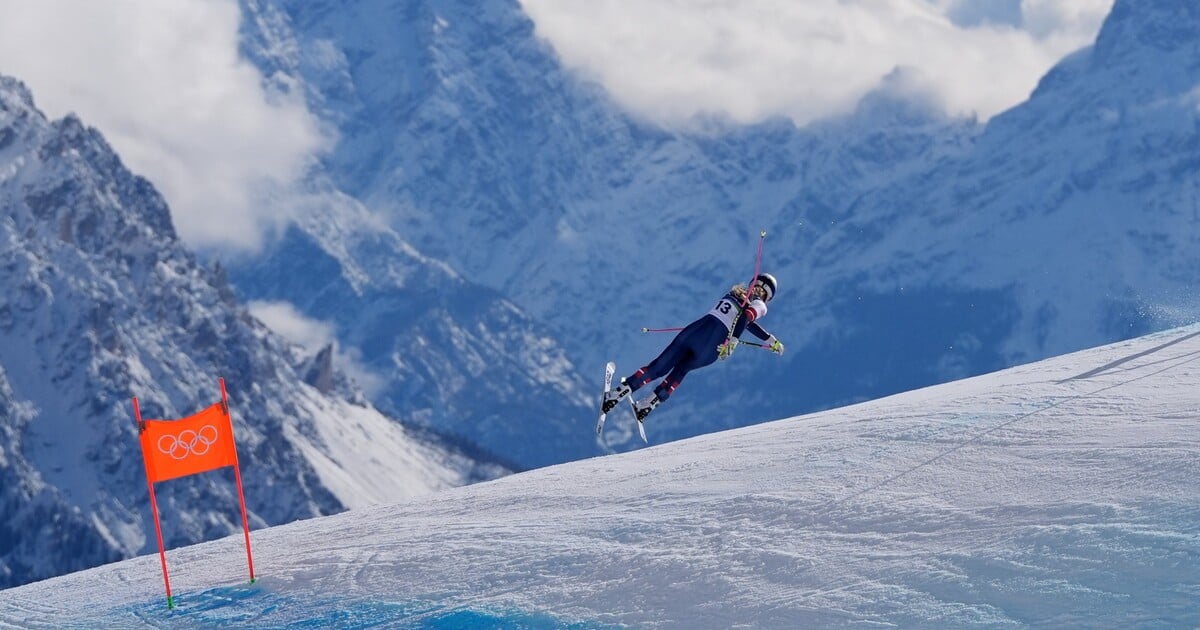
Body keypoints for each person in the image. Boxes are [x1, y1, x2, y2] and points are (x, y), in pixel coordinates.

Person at [602, 273, 784, 422]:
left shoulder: (735, 293)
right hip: (712, 349)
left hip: (697, 331)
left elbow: (744, 320)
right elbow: (745, 320)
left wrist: (762, 339)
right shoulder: (759, 305)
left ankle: (619, 393)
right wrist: (761, 340)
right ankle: (646, 406)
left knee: (659, 367)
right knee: (681, 370)